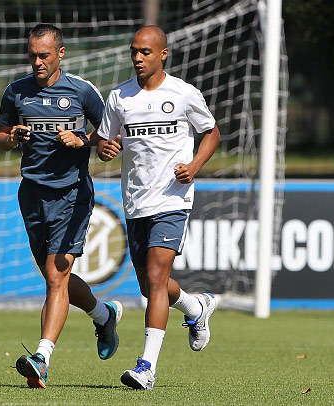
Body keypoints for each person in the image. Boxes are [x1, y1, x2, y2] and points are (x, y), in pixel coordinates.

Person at [0, 23, 122, 389]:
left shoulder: (82, 91)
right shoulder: (16, 92)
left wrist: (82, 139)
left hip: (72, 193)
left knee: (56, 276)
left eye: (44, 55)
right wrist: (12, 137)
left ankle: (42, 358)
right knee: (55, 278)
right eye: (32, 56)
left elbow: (109, 133)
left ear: (60, 54)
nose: (37, 62)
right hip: (32, 194)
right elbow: (0, 137)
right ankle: (104, 315)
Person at [97, 25, 221, 390]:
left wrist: (194, 167)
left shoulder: (183, 93)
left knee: (155, 278)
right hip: (136, 200)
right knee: (151, 286)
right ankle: (196, 307)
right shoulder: (119, 96)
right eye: (134, 51)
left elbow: (211, 132)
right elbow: (105, 140)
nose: (138, 57)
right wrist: (105, 149)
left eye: (146, 52)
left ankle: (146, 367)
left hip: (172, 199)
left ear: (163, 54)